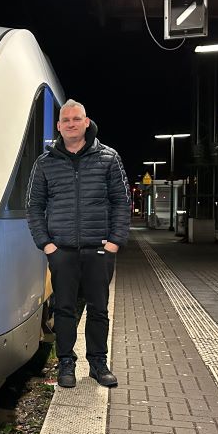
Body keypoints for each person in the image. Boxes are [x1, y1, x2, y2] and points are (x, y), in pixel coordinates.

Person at [27, 99, 130, 388]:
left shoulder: (108, 158)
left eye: (76, 119)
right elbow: (33, 207)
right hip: (62, 251)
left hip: (99, 249)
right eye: (66, 120)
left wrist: (114, 243)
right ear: (59, 126)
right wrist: (47, 245)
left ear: (86, 122)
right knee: (64, 309)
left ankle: (98, 363)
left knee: (99, 308)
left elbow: (122, 202)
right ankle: (66, 363)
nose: (71, 124)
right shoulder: (44, 163)